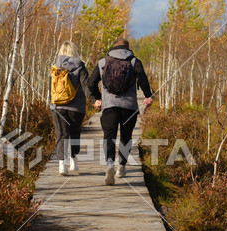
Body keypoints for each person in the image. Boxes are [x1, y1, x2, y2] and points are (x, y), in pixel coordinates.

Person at [88, 38, 153, 185]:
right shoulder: (135, 61)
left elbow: (91, 83)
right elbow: (143, 79)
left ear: (113, 47)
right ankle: (121, 166)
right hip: (129, 108)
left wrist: (97, 99)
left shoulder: (103, 62)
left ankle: (109, 163)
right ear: (128, 48)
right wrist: (148, 96)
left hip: (109, 107)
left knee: (109, 136)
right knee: (126, 137)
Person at [51, 41, 93, 176]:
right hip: (77, 108)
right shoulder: (80, 65)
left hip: (57, 106)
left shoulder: (55, 67)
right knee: (75, 133)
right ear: (74, 51)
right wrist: (94, 100)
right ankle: (74, 160)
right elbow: (86, 85)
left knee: (61, 134)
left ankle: (61, 165)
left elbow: (51, 88)